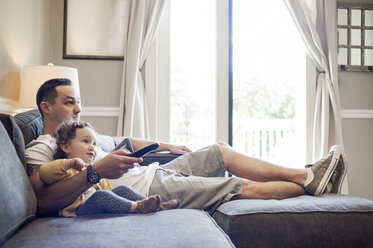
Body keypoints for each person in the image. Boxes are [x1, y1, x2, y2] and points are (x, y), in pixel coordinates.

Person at [25, 78, 347, 214]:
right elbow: (42, 199)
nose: (78, 109)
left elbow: (126, 141)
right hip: (154, 187)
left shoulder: (85, 133)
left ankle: (307, 175)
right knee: (234, 185)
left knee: (219, 149)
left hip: (155, 170)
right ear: (46, 107)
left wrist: (168, 144)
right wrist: (95, 172)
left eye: (78, 102)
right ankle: (309, 182)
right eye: (70, 103)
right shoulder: (42, 147)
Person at [38, 120, 179, 217]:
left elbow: (106, 188)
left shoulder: (90, 168)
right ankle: (138, 208)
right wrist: (68, 164)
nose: (92, 147)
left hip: (93, 204)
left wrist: (107, 187)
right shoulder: (62, 166)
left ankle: (154, 205)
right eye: (85, 141)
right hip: (76, 211)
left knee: (121, 189)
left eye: (94, 143)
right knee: (100, 196)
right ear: (65, 146)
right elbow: (44, 174)